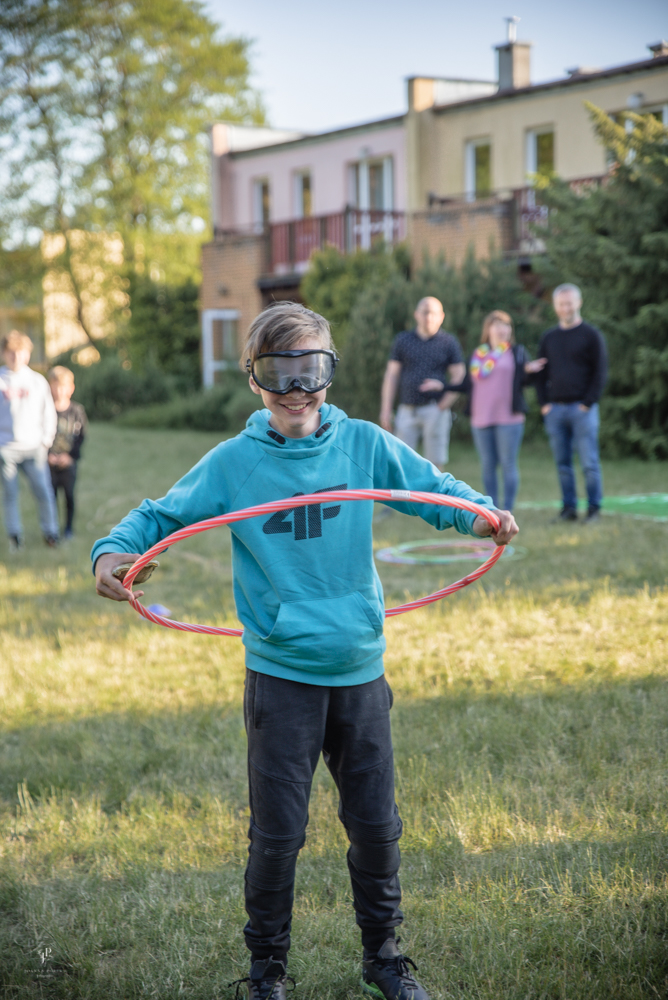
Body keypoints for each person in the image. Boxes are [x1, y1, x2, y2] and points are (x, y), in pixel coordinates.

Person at [92, 302, 517, 1000]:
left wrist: (481, 515)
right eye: (277, 373)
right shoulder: (234, 463)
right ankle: (267, 972)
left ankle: (385, 960)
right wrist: (114, 554)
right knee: (278, 836)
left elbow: (432, 490)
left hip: (358, 668)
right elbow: (159, 516)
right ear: (254, 379)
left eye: (310, 370)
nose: (296, 391)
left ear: (329, 373)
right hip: (281, 674)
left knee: (377, 828)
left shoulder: (364, 445)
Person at [534, 284, 607, 523]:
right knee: (563, 464)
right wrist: (544, 404)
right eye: (561, 304)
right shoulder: (549, 338)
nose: (566, 308)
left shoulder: (591, 335)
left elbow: (600, 372)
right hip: (555, 410)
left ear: (579, 303)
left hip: (582, 410)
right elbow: (540, 373)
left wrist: (588, 402)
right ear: (555, 307)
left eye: (569, 303)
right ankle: (569, 510)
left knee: (589, 463)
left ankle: (594, 509)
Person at [467, 310, 546, 512]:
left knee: (508, 464)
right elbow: (467, 384)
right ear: (488, 329)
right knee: (488, 465)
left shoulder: (516, 352)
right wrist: (442, 387)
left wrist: (529, 371)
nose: (503, 329)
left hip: (509, 418)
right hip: (481, 417)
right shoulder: (478, 354)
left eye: (506, 325)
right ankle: (492, 509)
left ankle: (507, 510)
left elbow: (526, 380)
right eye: (498, 325)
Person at [380, 297, 465, 470]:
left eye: (433, 313)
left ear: (441, 316)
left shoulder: (448, 342)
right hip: (407, 409)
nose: (429, 317)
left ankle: (432, 491)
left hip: (435, 409)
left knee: (435, 464)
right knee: (401, 462)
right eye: (425, 312)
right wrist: (386, 409)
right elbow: (391, 375)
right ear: (416, 315)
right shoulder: (403, 340)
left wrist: (443, 405)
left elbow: (459, 375)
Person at [0, 330, 59, 551]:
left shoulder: (37, 381)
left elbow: (48, 412)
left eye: (20, 352)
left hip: (34, 447)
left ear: (27, 354)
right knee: (10, 494)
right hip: (6, 448)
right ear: (4, 353)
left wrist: (45, 440)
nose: (15, 356)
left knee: (43, 491)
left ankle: (51, 533)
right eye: (11, 352)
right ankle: (15, 536)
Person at [48, 365, 87, 540]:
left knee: (69, 496)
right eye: (55, 386)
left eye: (63, 386)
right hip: (49, 462)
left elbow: (81, 436)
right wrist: (47, 455)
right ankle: (52, 528)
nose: (59, 390)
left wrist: (70, 456)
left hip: (69, 463)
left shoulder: (77, 411)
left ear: (71, 388)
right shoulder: (46, 409)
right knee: (50, 497)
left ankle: (69, 529)